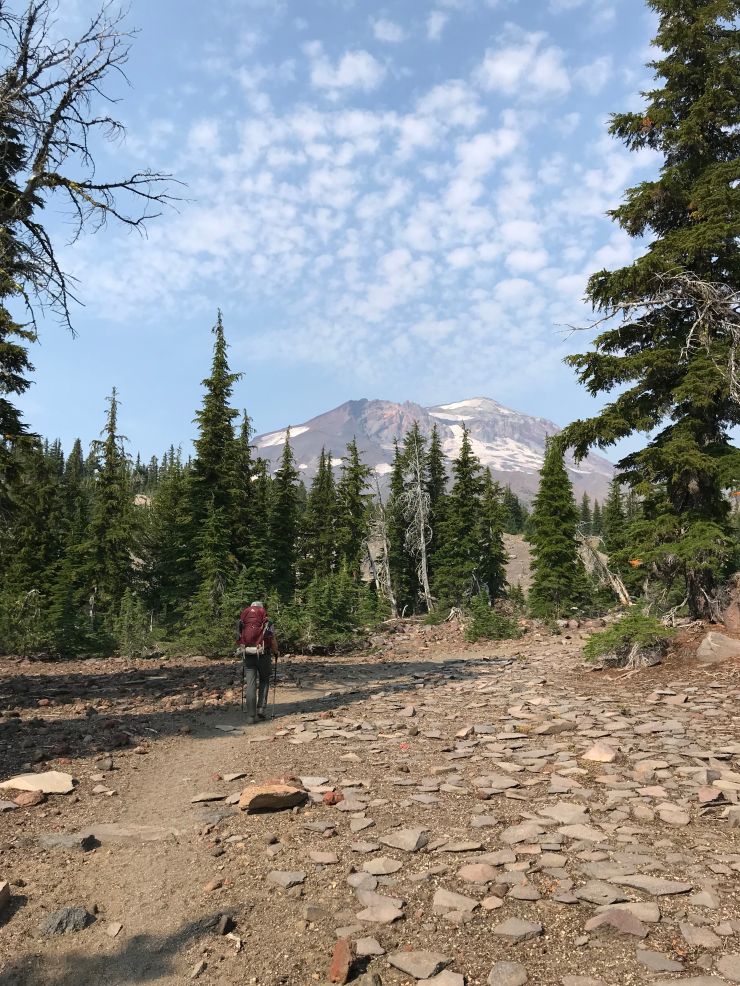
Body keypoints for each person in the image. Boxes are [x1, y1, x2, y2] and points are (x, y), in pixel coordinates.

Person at [237, 600, 278, 723]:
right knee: (264, 679)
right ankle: (261, 709)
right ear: (262, 610)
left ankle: (250, 716)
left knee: (250, 684)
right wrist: (276, 652)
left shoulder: (242, 621)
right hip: (263, 654)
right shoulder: (268, 622)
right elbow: (273, 639)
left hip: (248, 654)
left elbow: (238, 637)